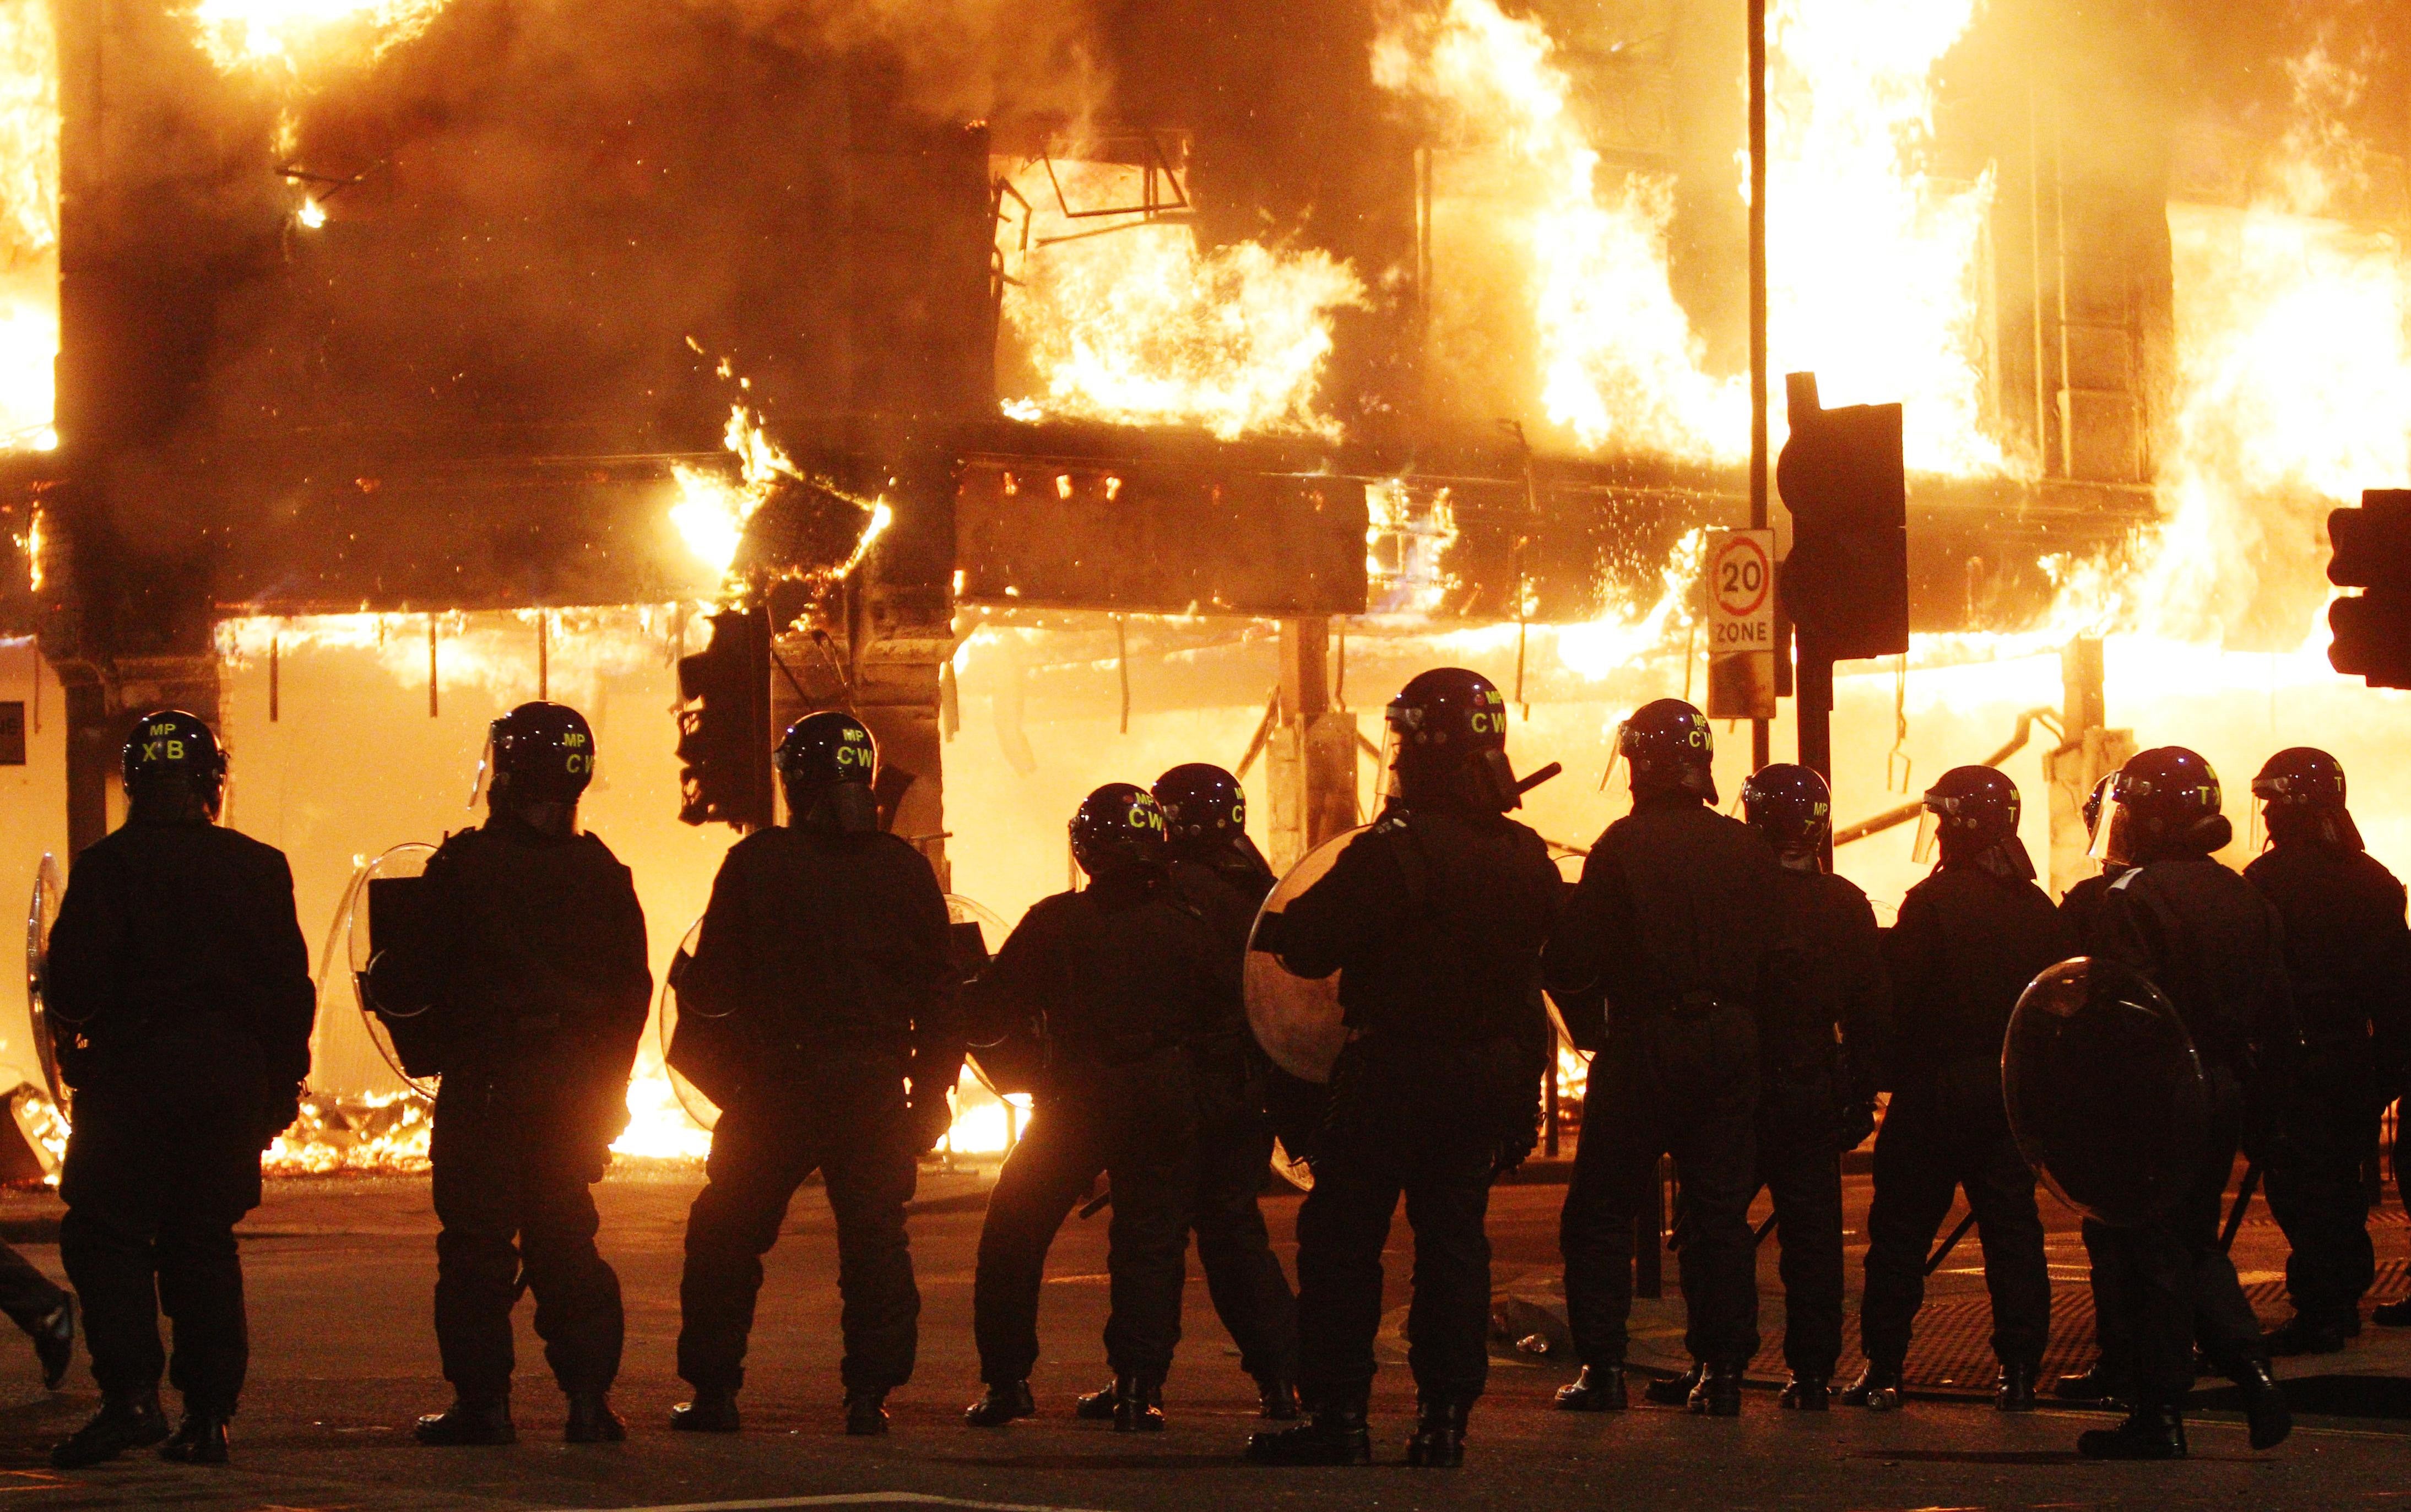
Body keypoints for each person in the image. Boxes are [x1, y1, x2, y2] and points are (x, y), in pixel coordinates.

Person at [1244, 669, 1556, 1468]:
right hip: (1486, 1070)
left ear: (1421, 746)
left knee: (1343, 1240)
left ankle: (1341, 1417)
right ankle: (1444, 1419)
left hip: (1395, 1071)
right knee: (1453, 1244)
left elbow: (1309, 941)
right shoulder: (1524, 853)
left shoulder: (1400, 848)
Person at [668, 712, 962, 1437]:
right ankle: (870, 1398)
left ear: (793, 781)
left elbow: (712, 990)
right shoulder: (904, 869)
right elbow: (945, 996)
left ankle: (714, 1395)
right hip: (871, 1087)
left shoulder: (757, 863)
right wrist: (930, 1096)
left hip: (776, 1088)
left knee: (725, 1235)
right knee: (874, 1240)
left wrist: (730, 1083)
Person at [44, 710, 313, 1467]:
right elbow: (290, 991)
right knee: (202, 1243)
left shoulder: (106, 867)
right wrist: (281, 1085)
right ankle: (209, 1416)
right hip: (228, 1077)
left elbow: (70, 985)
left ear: (133, 783)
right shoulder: (261, 866)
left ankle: (131, 1399)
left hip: (134, 1077)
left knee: (107, 1234)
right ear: (213, 786)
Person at [962, 784, 1247, 1433]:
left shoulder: (1055, 921)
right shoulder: (1189, 924)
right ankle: (1137, 1389)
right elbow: (1228, 1019)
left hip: (1078, 1101)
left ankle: (1007, 1383)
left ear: (1086, 849)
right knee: (1151, 1243)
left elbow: (992, 1014)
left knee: (1015, 1229)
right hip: (1165, 1097)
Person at [404, 702, 652, 1448]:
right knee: (567, 1240)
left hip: (487, 1087)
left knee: (477, 1251)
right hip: (573, 1090)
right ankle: (587, 1401)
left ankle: (485, 1407)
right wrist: (604, 1093)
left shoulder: (462, 868)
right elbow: (631, 998)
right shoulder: (604, 873)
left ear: (506, 774)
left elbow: (415, 979)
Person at [1546, 700, 1777, 1419]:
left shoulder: (1622, 846)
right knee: (1718, 1214)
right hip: (1732, 1039)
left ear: (1639, 765)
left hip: (1646, 1041)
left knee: (1603, 1211)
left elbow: (1577, 959)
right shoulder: (1746, 847)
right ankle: (1723, 1372)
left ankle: (1604, 1368)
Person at [2076, 746, 2293, 1459]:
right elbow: (2275, 1011)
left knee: (2152, 1253)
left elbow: (2119, 1011)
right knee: (2194, 1240)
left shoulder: (2131, 896)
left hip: (2153, 1092)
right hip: (2223, 1088)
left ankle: (2160, 1413)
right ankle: (2252, 1370)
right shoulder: (2244, 894)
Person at [1066, 765, 1298, 1423]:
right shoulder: (1263, 889)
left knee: (1147, 1237)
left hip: (1168, 1087)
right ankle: (1283, 1382)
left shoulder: (1167, 892)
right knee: (1236, 1238)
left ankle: (1138, 1387)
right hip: (1241, 1092)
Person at [1847, 767, 2066, 1415]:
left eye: (1943, 821)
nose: (1937, 833)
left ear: (1963, 828)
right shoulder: (2039, 910)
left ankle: (1884, 1369)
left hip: (1934, 1093)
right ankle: (2020, 1373)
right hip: (2007, 1095)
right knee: (2013, 1236)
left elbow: (1899, 1003)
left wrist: (1875, 1077)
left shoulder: (1932, 904)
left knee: (1900, 1236)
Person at [1726, 763, 1890, 1411]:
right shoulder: (1846, 903)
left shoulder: (1735, 898)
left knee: (1720, 1227)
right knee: (1814, 1239)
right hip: (1810, 1085)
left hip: (1739, 1088)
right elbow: (1870, 1011)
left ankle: (1722, 1363)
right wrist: (1860, 1094)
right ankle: (1814, 1372)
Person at [2244, 749, 2410, 1354]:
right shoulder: (2374, 879)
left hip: (2293, 1059)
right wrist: (2389, 1066)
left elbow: (2255, 981)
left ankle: (2321, 1308)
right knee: (2342, 1182)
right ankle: (2340, 1297)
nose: (2264, 815)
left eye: (2270, 803)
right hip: (2354, 1059)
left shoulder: (2267, 882)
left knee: (2299, 1186)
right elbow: (2396, 984)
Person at [2054, 769, 2141, 1409]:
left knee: (2114, 1236)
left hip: (2111, 1094)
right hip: (2193, 1088)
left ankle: (2126, 1362)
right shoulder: (2230, 892)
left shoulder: (2096, 902)